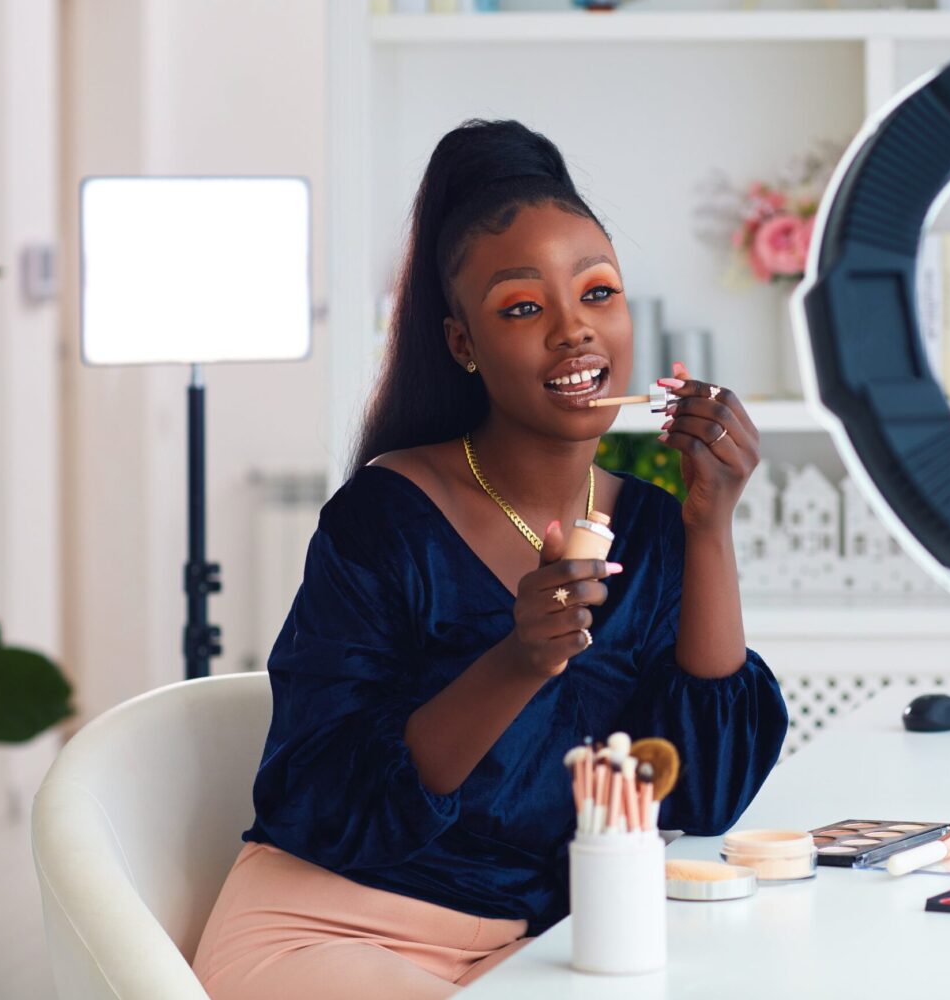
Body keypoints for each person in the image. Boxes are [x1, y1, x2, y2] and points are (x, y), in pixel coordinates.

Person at [190, 119, 788, 999]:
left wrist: (710, 526)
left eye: (598, 293)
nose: (574, 332)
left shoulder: (657, 527)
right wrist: (519, 660)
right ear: (462, 343)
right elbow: (322, 795)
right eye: (522, 308)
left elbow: (706, 794)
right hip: (328, 930)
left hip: (538, 942)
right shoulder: (385, 520)